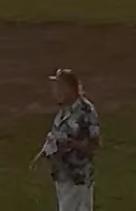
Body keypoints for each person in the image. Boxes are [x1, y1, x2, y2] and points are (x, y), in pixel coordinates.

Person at [33, 68, 100, 211]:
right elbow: (54, 138)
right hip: (62, 176)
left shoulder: (86, 111)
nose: (55, 91)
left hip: (78, 178)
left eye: (59, 87)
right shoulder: (63, 111)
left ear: (69, 89)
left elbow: (94, 144)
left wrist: (72, 144)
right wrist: (41, 156)